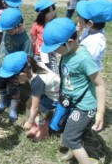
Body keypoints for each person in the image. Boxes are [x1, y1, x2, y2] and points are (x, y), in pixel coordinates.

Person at [41, 18, 106, 164]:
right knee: (69, 129)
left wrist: (100, 112)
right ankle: (73, 150)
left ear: (69, 42)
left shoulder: (84, 59)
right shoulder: (67, 52)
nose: (55, 52)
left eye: (56, 48)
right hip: (73, 100)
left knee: (70, 138)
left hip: (85, 106)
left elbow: (100, 85)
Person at [0, 51, 59, 140]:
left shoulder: (37, 81)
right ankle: (35, 126)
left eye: (15, 80)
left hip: (53, 98)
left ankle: (44, 132)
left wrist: (29, 121)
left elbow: (35, 107)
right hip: (46, 91)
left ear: (22, 74)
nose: (16, 82)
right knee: (28, 104)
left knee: (39, 113)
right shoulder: (32, 66)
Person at [0, 8, 33, 121]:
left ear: (19, 26)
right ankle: (3, 102)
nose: (6, 31)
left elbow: (28, 57)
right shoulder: (7, 30)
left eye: (8, 30)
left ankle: (13, 107)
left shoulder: (25, 41)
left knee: (13, 89)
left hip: (12, 71)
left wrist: (23, 72)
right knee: (0, 86)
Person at [76, 0, 112, 71]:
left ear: (90, 23)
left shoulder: (96, 41)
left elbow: (87, 63)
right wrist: (77, 34)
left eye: (80, 16)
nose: (78, 18)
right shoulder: (88, 30)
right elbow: (78, 44)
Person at [31, 0, 59, 74]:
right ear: (42, 13)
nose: (52, 13)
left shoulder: (55, 24)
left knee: (54, 73)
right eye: (49, 11)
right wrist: (31, 50)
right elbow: (33, 39)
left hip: (51, 52)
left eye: (53, 9)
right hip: (39, 53)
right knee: (41, 72)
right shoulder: (36, 25)